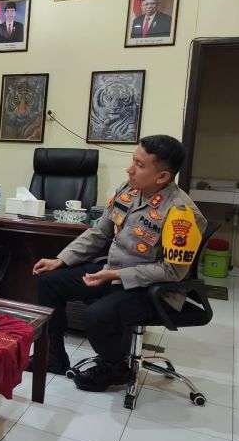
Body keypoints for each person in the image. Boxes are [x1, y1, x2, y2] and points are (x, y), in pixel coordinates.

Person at [31, 135, 206, 391]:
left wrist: (116, 275)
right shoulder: (128, 190)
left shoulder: (182, 212)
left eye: (140, 165)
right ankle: (53, 357)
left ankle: (115, 368)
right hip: (112, 272)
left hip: (154, 289)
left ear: (162, 177)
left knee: (97, 315)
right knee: (49, 281)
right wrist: (62, 259)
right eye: (133, 160)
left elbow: (172, 271)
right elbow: (99, 232)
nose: (129, 169)